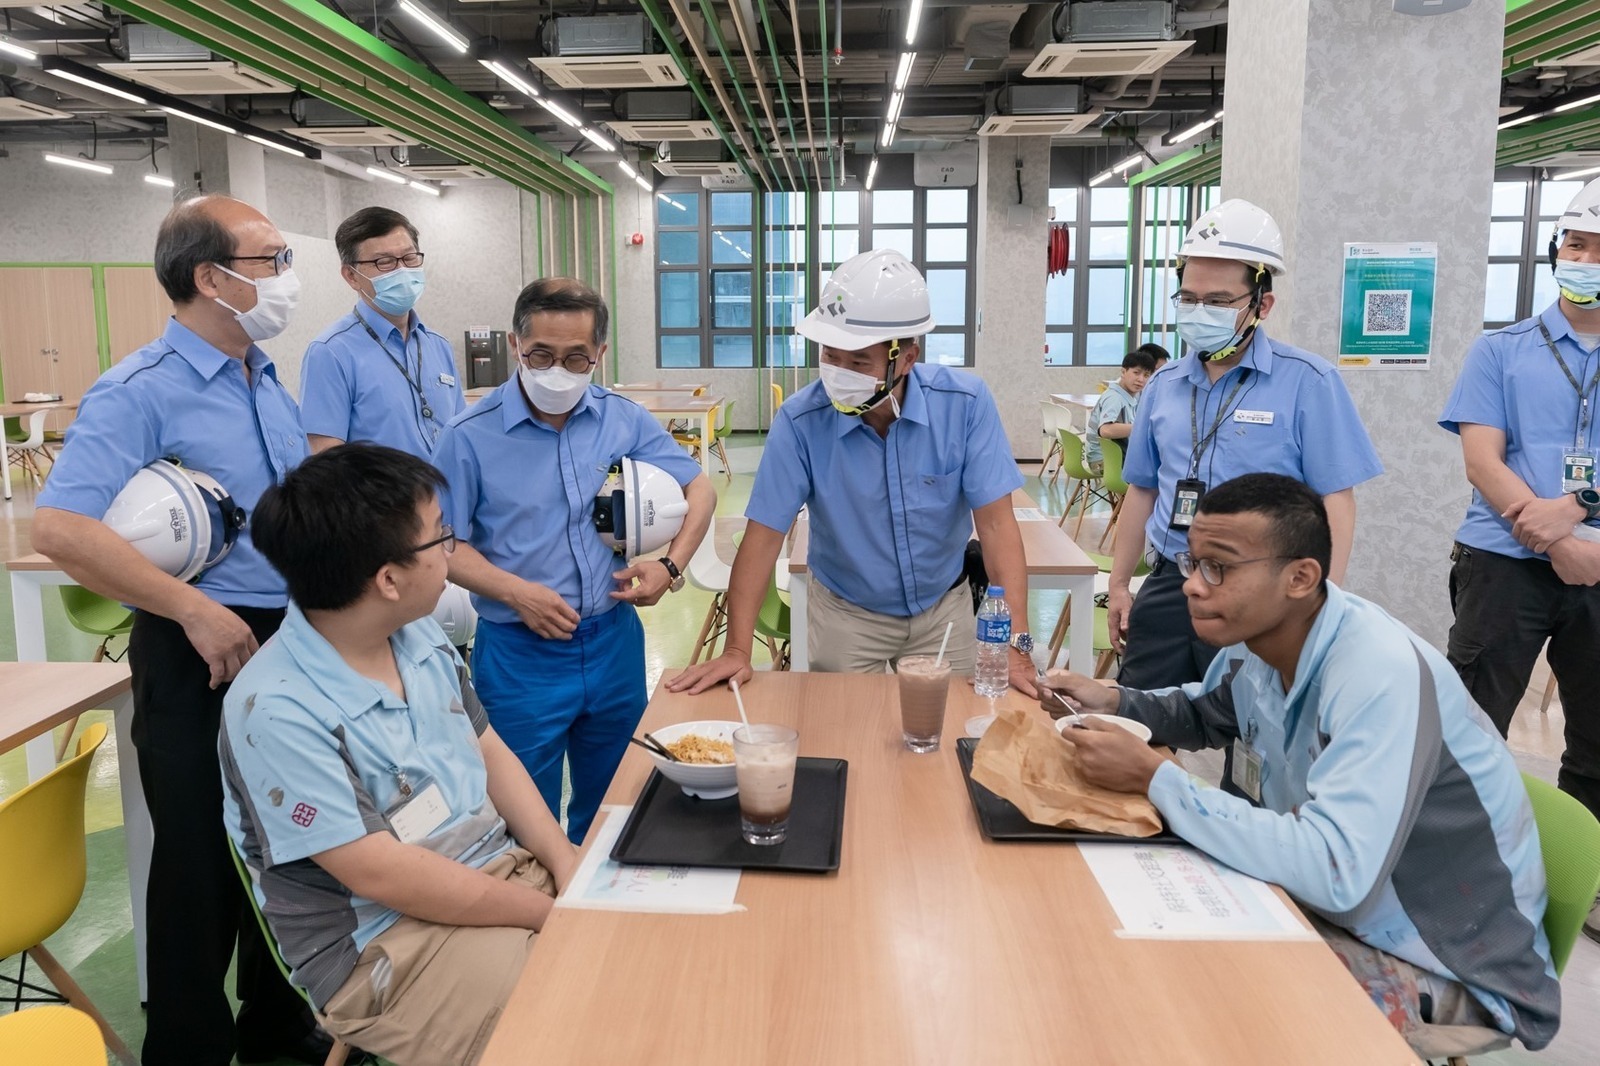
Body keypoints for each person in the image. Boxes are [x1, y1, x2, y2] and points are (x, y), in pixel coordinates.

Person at [1042, 474, 1559, 1057]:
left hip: (1445, 961)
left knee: (1184, 991)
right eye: (1193, 563)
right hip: (1328, 902)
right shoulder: (1261, 642)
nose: (1192, 585)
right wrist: (1112, 701)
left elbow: (1337, 874)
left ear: (1300, 577)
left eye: (1218, 568)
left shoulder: (1377, 675)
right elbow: (1207, 712)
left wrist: (1157, 779)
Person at [31, 196, 324, 1066]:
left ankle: (279, 1032)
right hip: (197, 645)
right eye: (272, 260)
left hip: (287, 639)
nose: (288, 278)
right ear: (212, 277)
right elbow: (61, 529)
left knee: (289, 846)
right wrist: (192, 609)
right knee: (200, 864)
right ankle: (188, 1047)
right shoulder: (140, 390)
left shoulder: (263, 377)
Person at [220, 444, 578, 1066]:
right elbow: (382, 875)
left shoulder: (415, 634)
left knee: (647, 952)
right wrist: (549, 913)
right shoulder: (276, 709)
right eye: (440, 536)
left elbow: (489, 751)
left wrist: (564, 860)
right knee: (582, 1013)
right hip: (386, 942)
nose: (450, 551)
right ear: (388, 580)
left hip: (497, 876)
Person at [670, 248, 1035, 696]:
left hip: (943, 609)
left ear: (907, 357)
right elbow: (763, 537)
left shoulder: (964, 406)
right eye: (830, 355)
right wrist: (737, 650)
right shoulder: (801, 422)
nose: (839, 373)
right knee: (844, 728)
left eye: (859, 362)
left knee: (951, 724)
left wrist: (1017, 645)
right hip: (846, 613)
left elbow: (997, 526)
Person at [433, 277, 715, 844]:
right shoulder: (468, 437)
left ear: (600, 353)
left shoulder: (623, 420)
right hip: (520, 656)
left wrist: (670, 567)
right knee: (526, 818)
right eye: (540, 354)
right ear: (515, 344)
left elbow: (700, 489)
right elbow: (441, 544)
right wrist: (515, 592)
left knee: (618, 805)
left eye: (576, 358)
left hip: (613, 644)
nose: (557, 371)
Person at [1108, 198, 1382, 692]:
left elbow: (1337, 501)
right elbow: (1142, 490)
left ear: (1261, 305)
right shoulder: (1163, 385)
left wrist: (1322, 606)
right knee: (1139, 716)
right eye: (1188, 298)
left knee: (1250, 729)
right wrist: (1119, 584)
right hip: (1172, 579)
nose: (1199, 312)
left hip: (1262, 591)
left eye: (1218, 301)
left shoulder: (1309, 383)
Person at [1440, 174, 1600, 944]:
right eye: (1576, 244)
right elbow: (1482, 459)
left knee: (1597, 738)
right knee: (1470, 726)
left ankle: (1582, 884)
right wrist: (1556, 535)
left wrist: (1576, 511)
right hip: (1502, 562)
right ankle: (1452, 873)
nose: (1585, 260)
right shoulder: (1501, 350)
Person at [300, 206, 465, 460]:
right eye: (384, 262)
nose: (402, 270)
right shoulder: (330, 353)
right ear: (351, 276)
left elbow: (461, 435)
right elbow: (325, 461)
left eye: (409, 258)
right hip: (379, 489)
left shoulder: (438, 345)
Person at [1086, 348, 1156, 475]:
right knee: (1154, 474)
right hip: (1104, 461)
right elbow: (1106, 430)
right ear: (1123, 372)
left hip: (1114, 458)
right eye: (1136, 373)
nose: (1141, 379)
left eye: (1146, 375)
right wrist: (1144, 427)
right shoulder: (1115, 398)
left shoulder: (1131, 397)